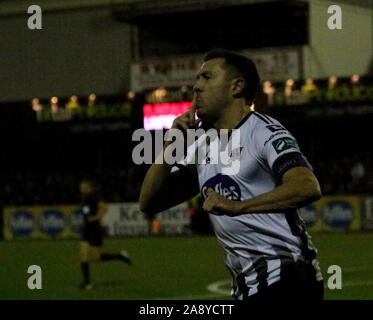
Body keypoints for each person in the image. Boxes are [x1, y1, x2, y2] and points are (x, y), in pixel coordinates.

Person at [139, 49, 324, 301]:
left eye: (206, 77)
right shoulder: (202, 144)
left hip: (286, 277)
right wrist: (170, 147)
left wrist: (239, 206)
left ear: (236, 87)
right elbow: (149, 202)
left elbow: (307, 186)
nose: (196, 86)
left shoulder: (263, 131)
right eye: (197, 79)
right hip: (248, 285)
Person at [79, 178, 132, 290]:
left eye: (84, 186)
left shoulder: (94, 198)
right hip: (86, 230)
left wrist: (95, 218)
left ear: (89, 188)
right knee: (83, 254)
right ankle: (87, 282)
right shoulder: (84, 199)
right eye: (81, 186)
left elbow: (105, 208)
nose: (82, 188)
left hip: (95, 230)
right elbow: (86, 212)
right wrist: (87, 218)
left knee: (96, 257)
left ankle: (120, 256)